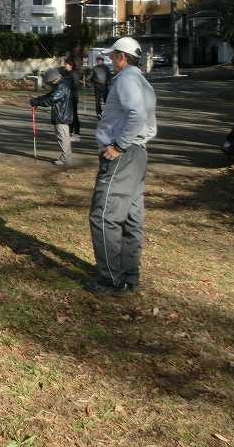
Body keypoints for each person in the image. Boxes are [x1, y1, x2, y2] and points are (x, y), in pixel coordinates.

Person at [87, 36, 157, 296]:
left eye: (113, 55)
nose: (111, 60)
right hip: (138, 154)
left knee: (104, 216)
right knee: (130, 217)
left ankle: (111, 280)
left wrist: (118, 146)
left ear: (123, 58)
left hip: (123, 155)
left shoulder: (127, 79)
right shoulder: (141, 80)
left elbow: (136, 114)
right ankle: (129, 274)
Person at [30, 67, 74, 166]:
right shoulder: (61, 85)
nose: (49, 84)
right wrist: (37, 99)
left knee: (63, 138)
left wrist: (37, 102)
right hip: (61, 115)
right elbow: (50, 95)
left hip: (61, 116)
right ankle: (67, 157)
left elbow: (51, 99)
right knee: (63, 137)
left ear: (54, 79)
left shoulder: (62, 86)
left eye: (50, 82)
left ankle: (65, 159)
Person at [62, 56, 82, 139]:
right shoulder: (68, 73)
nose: (65, 66)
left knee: (74, 115)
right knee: (69, 115)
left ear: (70, 65)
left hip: (73, 97)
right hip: (68, 97)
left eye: (66, 64)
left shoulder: (74, 74)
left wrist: (66, 85)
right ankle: (70, 132)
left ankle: (76, 134)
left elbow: (75, 86)